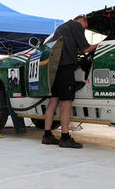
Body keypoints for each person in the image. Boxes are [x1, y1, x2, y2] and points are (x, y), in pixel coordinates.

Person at [42, 15, 98, 149]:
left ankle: (47, 135)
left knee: (53, 101)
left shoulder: (61, 28)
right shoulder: (76, 25)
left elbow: (73, 48)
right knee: (66, 103)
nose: (84, 30)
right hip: (66, 67)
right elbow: (85, 49)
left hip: (54, 69)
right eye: (85, 26)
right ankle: (65, 138)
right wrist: (101, 45)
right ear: (82, 20)